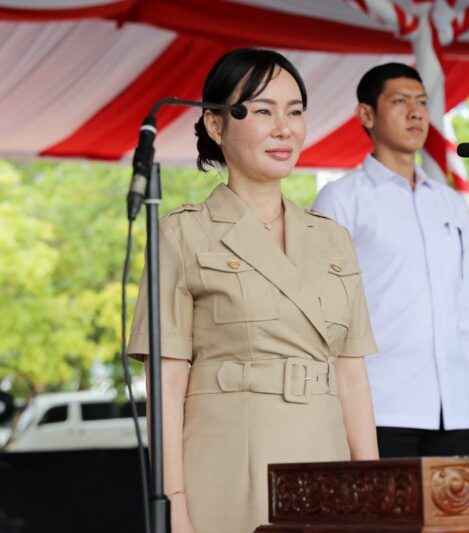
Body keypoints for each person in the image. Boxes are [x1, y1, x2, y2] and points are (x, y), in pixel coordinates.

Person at [127, 48, 379, 533]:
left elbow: (351, 375)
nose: (284, 128)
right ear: (216, 126)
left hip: (325, 463)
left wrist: (373, 489)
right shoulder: (182, 233)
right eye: (263, 110)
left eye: (296, 112)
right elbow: (167, 383)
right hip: (229, 467)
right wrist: (173, 503)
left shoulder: (332, 238)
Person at [312, 63, 469, 459]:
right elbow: (324, 320)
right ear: (366, 114)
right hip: (378, 410)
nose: (416, 112)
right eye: (400, 101)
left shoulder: (449, 203)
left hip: (454, 414)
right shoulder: (341, 200)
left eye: (422, 102)